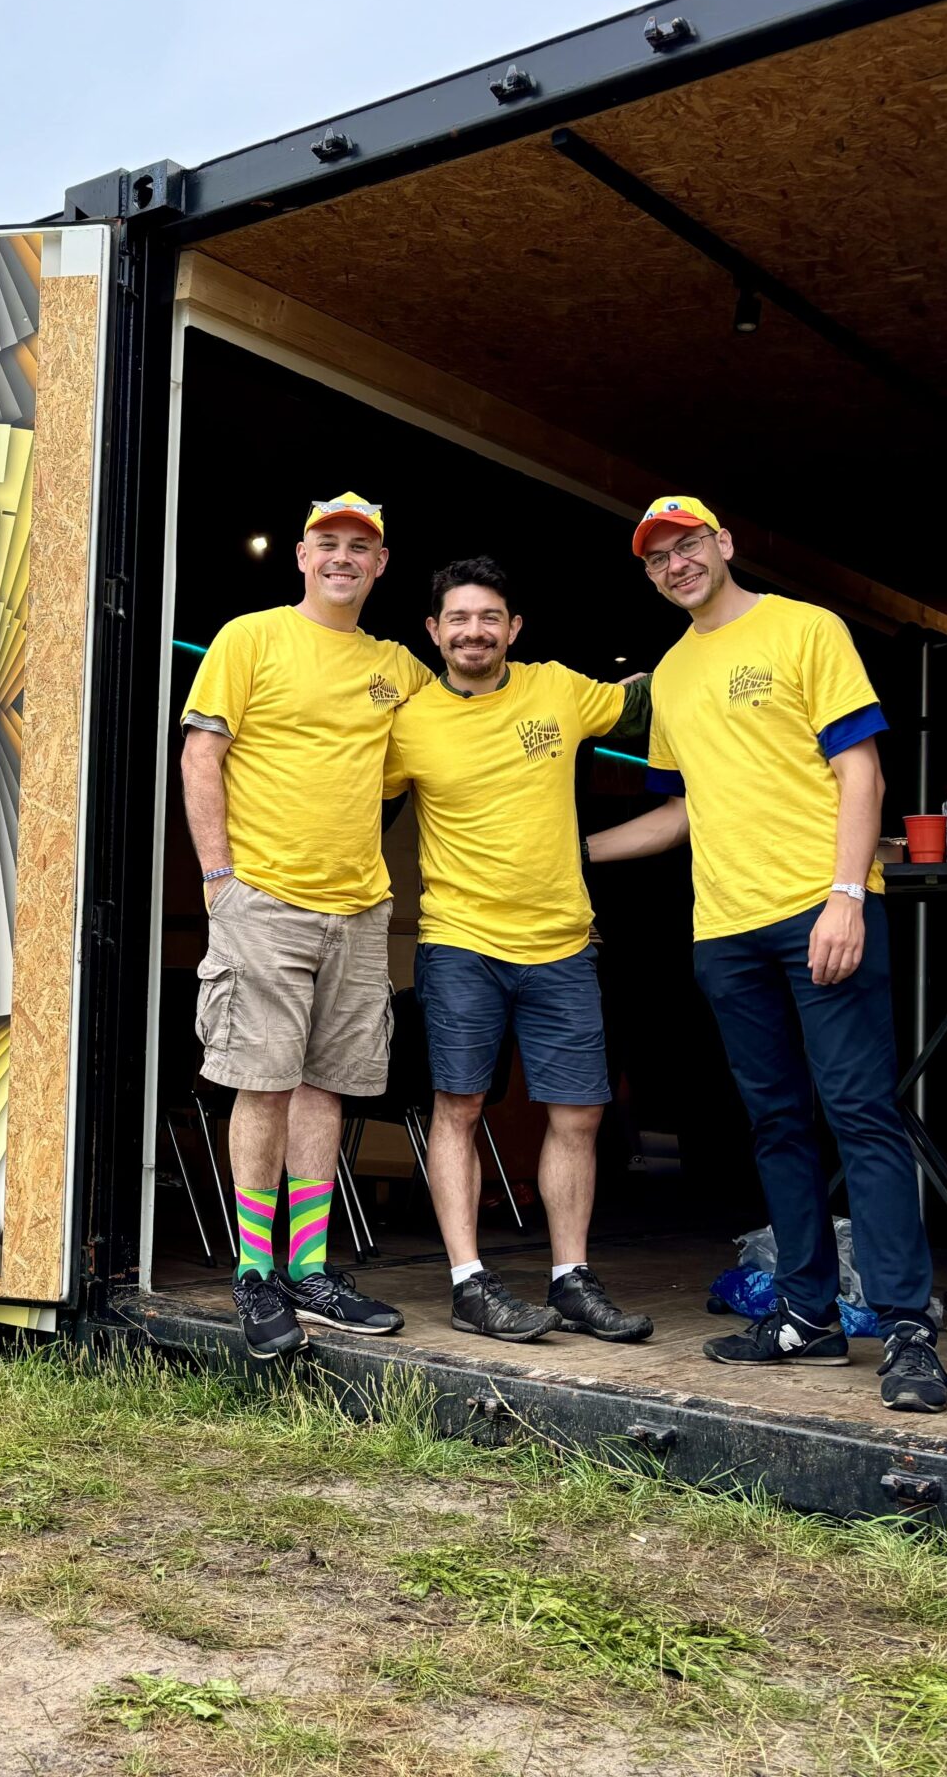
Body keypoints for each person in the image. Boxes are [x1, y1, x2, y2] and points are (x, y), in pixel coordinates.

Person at [586, 496, 947, 1415]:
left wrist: (845, 896)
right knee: (776, 1124)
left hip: (816, 912)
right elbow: (681, 812)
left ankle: (908, 1328)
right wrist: (575, 852)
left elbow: (859, 771)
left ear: (725, 544)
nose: (677, 564)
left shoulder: (804, 628)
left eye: (690, 544)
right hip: (726, 929)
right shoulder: (668, 675)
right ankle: (807, 1315)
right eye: (658, 557)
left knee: (860, 1113)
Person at [180, 493, 429, 1358]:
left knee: (327, 1085)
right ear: (300, 555)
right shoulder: (250, 638)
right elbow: (200, 753)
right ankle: (255, 1276)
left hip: (360, 908)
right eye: (328, 543)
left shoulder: (398, 666)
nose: (343, 558)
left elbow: (465, 725)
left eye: (360, 547)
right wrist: (219, 881)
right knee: (263, 1082)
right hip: (265, 900)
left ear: (382, 565)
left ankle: (309, 1268)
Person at [384, 557, 656, 1345]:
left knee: (578, 1113)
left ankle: (571, 1278)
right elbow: (338, 780)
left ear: (514, 628)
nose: (475, 631)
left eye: (489, 617)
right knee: (459, 1108)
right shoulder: (409, 722)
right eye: (458, 619)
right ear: (434, 632)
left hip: (564, 945)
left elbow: (653, 700)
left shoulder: (560, 689)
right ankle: (469, 1281)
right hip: (460, 942)